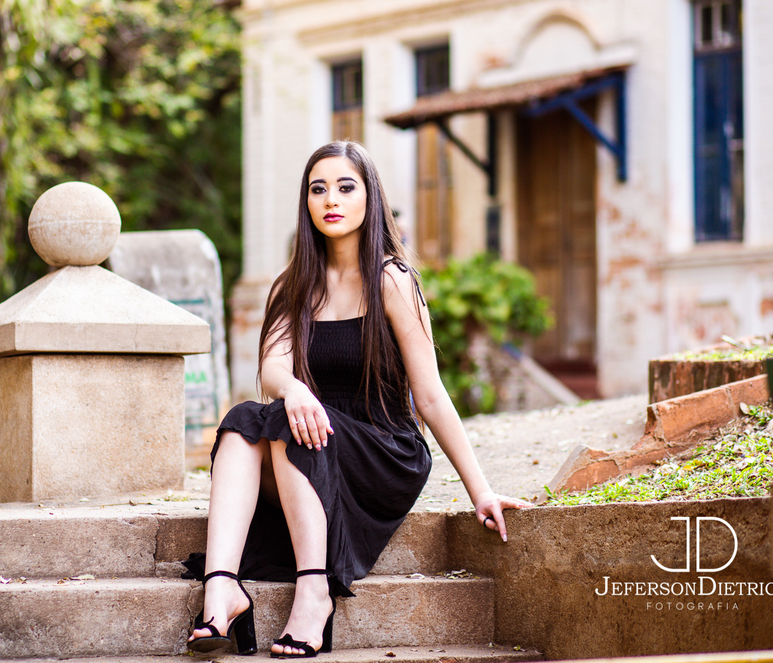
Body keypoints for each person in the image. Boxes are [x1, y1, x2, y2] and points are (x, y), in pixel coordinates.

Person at [186, 141, 530, 658]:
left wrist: (479, 490)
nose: (332, 198)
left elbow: (431, 395)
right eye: (318, 188)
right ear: (306, 203)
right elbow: (273, 368)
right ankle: (221, 589)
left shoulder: (392, 280)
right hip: (311, 438)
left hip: (382, 450)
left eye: (346, 187)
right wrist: (296, 388)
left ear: (371, 199)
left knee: (283, 422)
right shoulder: (294, 283)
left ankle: (314, 592)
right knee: (242, 422)